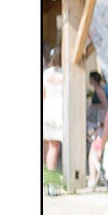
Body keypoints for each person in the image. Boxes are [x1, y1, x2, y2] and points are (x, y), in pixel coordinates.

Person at [87, 71, 108, 189]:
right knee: (95, 152)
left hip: (102, 124)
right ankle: (96, 178)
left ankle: (93, 179)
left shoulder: (99, 90)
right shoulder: (103, 89)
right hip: (102, 124)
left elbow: (105, 105)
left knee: (94, 153)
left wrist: (92, 107)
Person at [42, 48, 64, 176]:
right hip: (58, 111)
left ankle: (45, 175)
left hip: (47, 109)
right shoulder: (65, 74)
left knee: (46, 144)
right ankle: (50, 177)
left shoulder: (45, 74)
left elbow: (43, 95)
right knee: (54, 146)